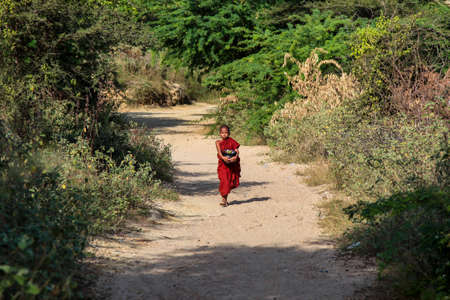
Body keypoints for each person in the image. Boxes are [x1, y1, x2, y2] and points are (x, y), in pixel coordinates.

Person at [215, 125, 241, 207]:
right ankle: (224, 199)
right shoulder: (218, 142)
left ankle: (224, 199)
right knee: (224, 181)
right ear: (220, 134)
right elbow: (219, 152)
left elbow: (236, 151)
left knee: (229, 182)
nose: (224, 134)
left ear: (229, 133)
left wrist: (235, 157)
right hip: (223, 165)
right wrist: (223, 158)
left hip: (231, 165)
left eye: (226, 133)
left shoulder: (232, 141)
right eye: (222, 133)